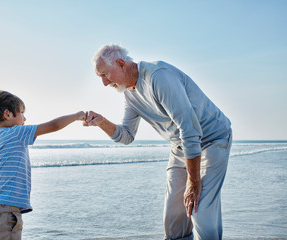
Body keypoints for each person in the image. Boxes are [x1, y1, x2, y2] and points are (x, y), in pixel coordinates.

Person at [84, 44, 232, 240]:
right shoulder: (129, 94)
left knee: (200, 208)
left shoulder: (158, 77)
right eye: (99, 77)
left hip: (212, 139)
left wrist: (194, 182)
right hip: (181, 146)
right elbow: (126, 135)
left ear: (121, 64)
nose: (104, 83)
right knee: (174, 217)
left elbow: (189, 129)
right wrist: (101, 122)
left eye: (105, 74)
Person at [0, 90, 86, 240]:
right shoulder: (16, 132)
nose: (25, 118)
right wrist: (77, 116)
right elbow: (54, 125)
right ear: (7, 114)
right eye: (22, 113)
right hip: (5, 211)